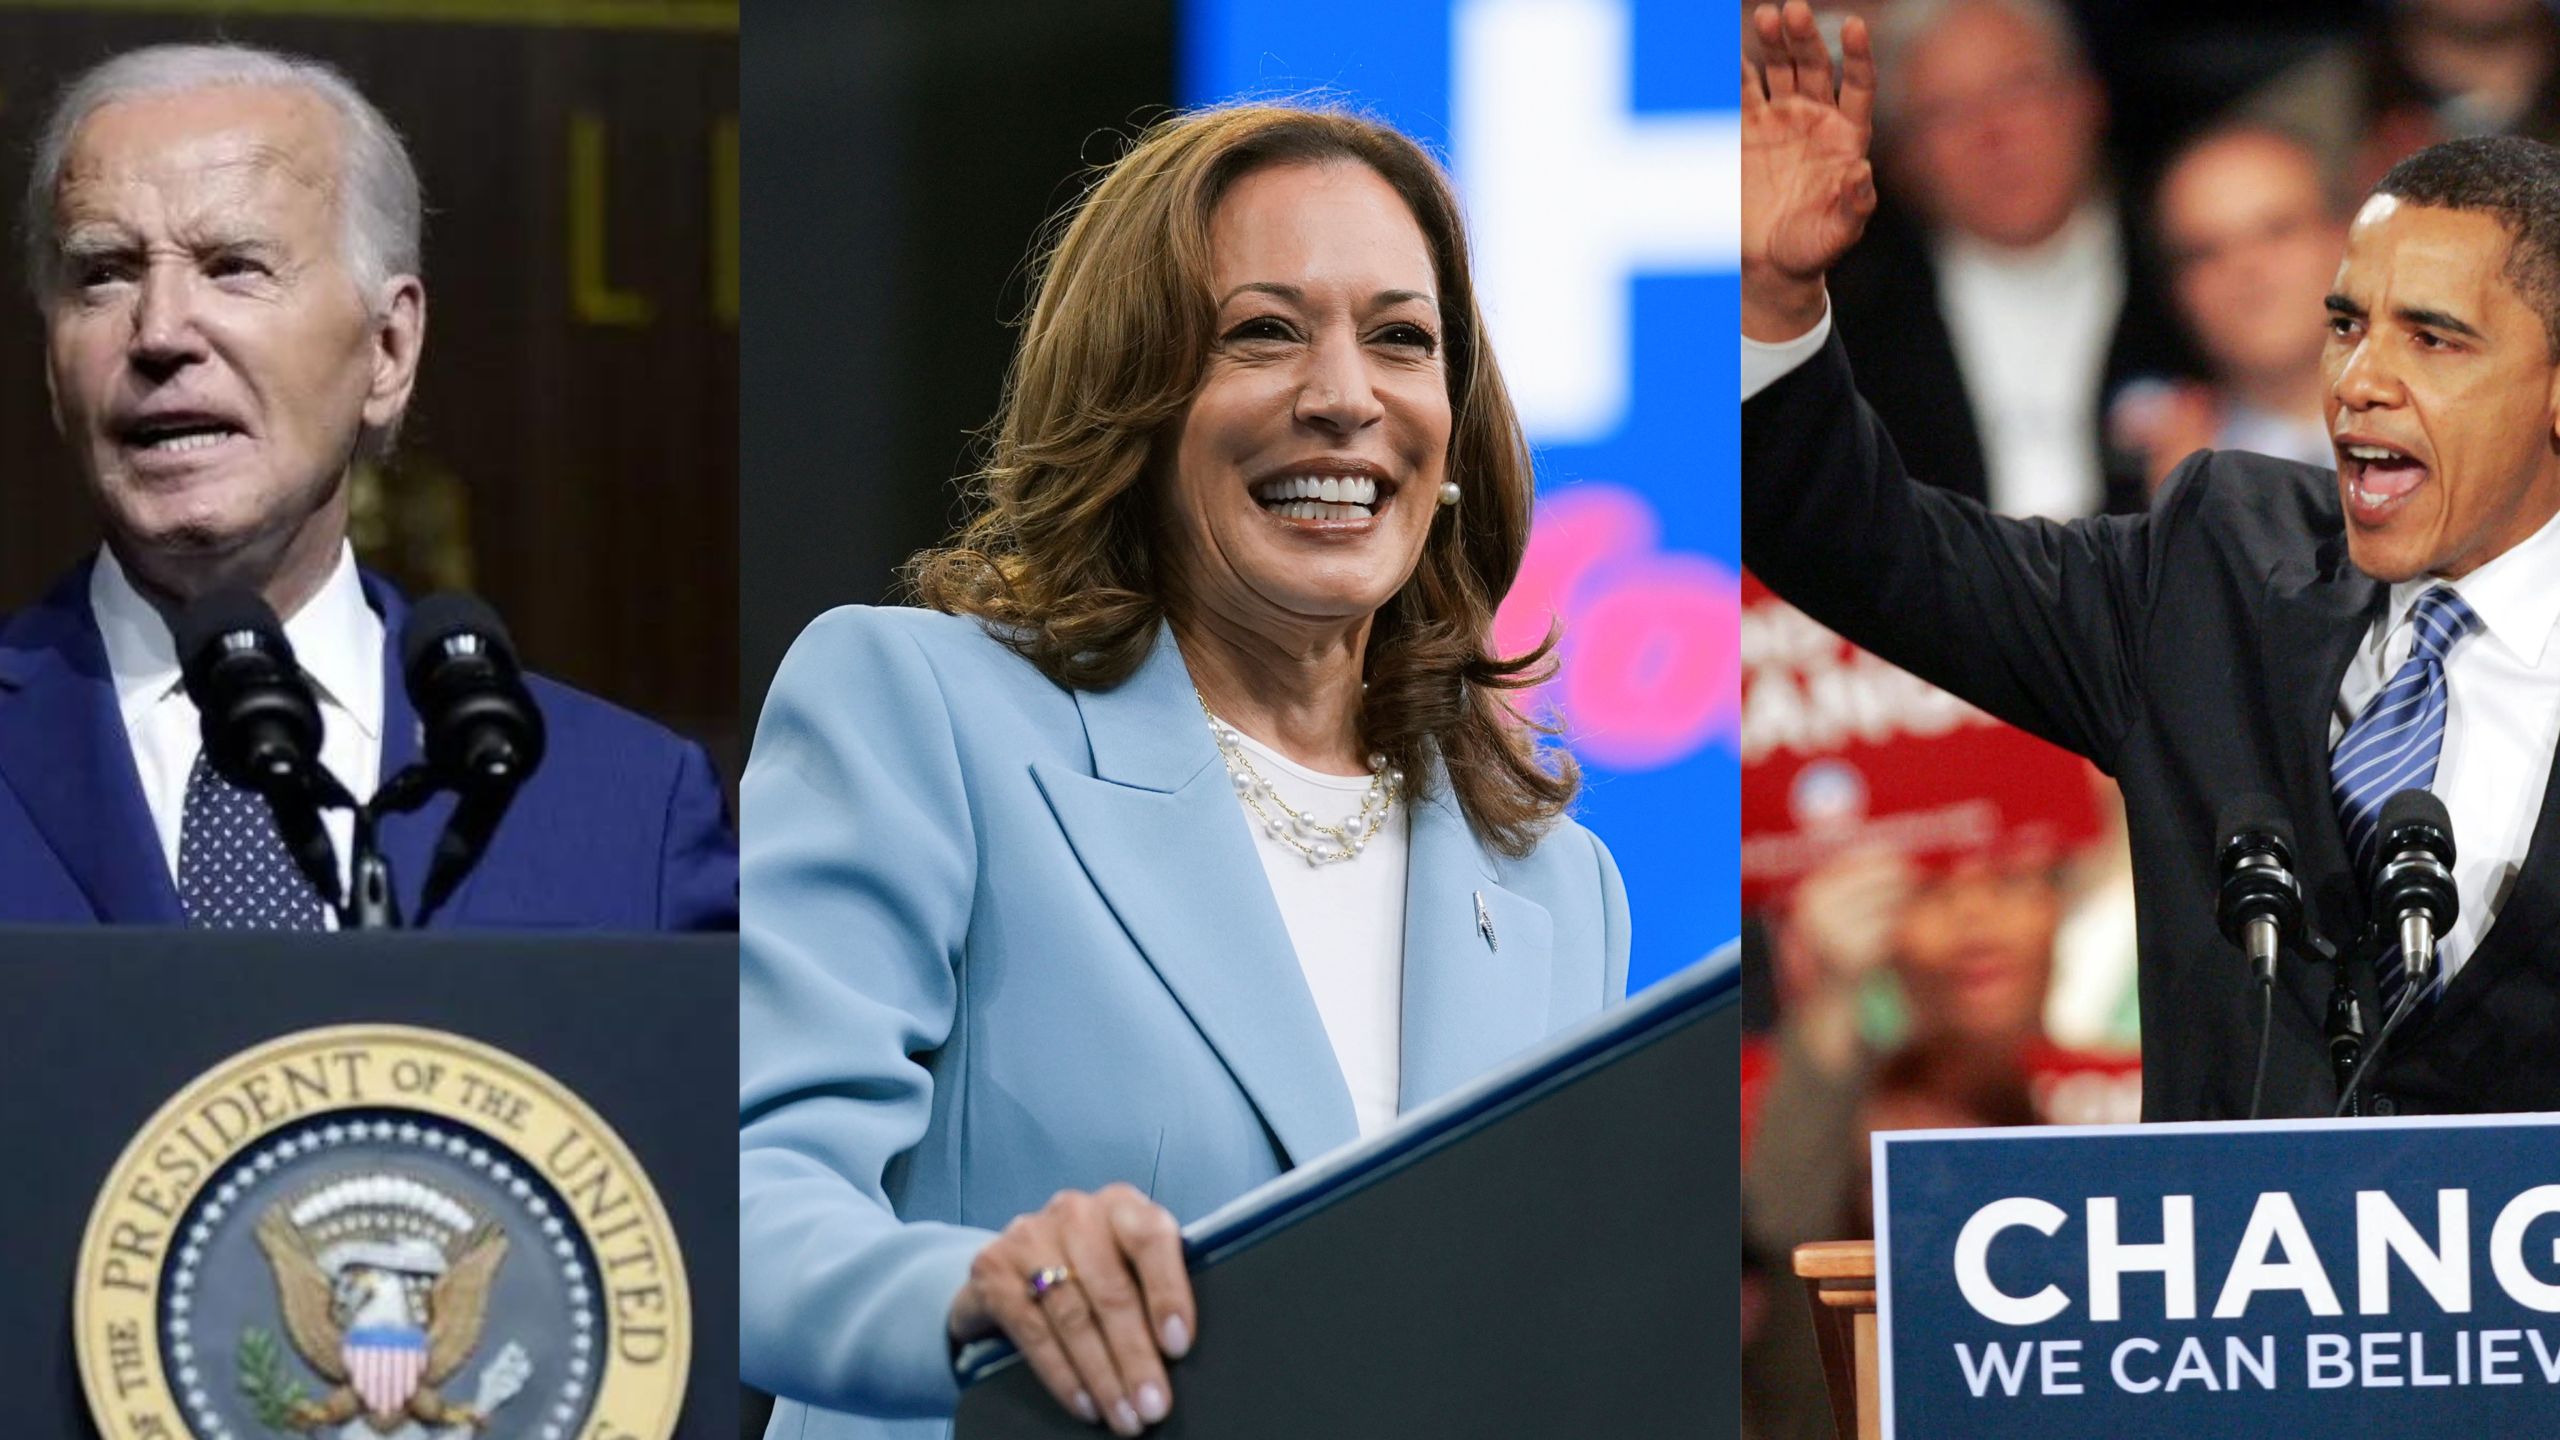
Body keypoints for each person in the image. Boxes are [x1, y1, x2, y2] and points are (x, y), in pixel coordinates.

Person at [739, 105, 1630, 1438]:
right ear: (1135, 399)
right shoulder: (923, 710)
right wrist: (979, 1294)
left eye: (1402, 338)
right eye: (1265, 331)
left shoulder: (1560, 884)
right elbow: (742, 1186)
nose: (1344, 396)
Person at [1742, 0, 2560, 1118]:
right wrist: (1776, 306)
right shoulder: (2214, 573)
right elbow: (1865, 546)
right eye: (2344, 325)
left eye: (2431, 337)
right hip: (2235, 1281)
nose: (2360, 379)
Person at [1, 45, 735, 930]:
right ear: (52, 363)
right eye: (104, 273)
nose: (158, 332)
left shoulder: (629, 810)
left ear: (388, 351)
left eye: (234, 265)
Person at [1806, 0, 2195, 519]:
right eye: (1945, 112)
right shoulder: (1841, 330)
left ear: (2087, 97)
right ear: (1900, 159)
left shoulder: (2195, 266)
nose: (1993, 134)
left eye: (2018, 88)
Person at [2118, 124, 2349, 494]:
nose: (2246, 269)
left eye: (2277, 231)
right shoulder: (2160, 496)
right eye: (2206, 251)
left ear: (2348, 237)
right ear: (2177, 292)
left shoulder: (2461, 426)